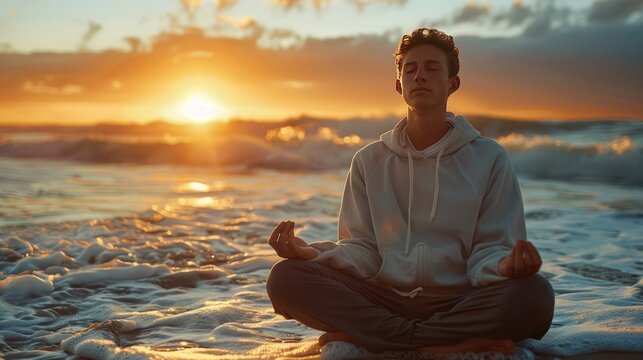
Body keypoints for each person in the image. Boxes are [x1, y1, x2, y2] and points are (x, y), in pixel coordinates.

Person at [265, 27, 555, 355]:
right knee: (286, 278)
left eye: (432, 69)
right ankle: (439, 344)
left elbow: (489, 250)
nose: (420, 76)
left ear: (452, 83)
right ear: (399, 84)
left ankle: (381, 339)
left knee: (535, 295)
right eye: (411, 69)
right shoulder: (368, 160)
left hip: (459, 300)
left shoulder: (488, 158)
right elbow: (363, 250)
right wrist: (314, 254)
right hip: (383, 299)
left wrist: (504, 267)